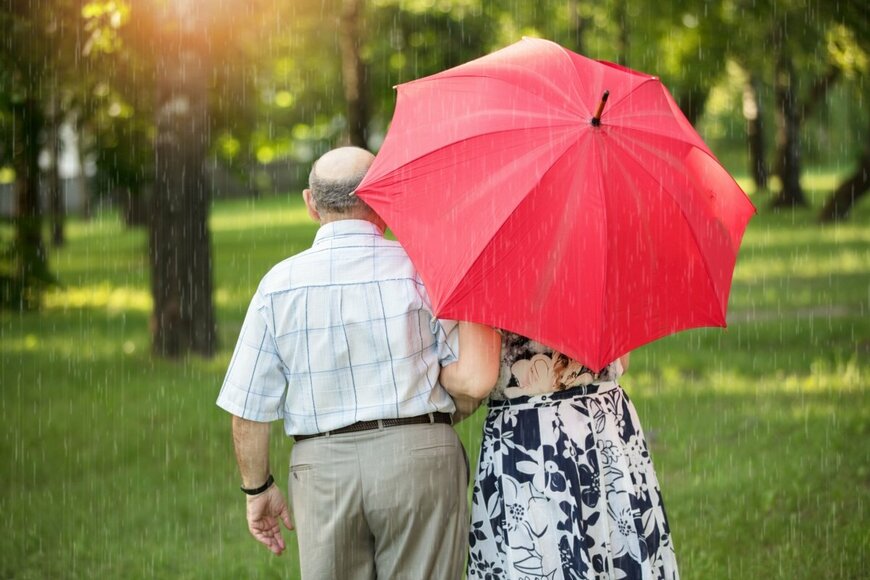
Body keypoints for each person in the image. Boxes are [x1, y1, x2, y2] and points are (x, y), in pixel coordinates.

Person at [216, 146, 500, 579]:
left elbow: (249, 408)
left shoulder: (278, 286)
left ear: (310, 204)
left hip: (322, 468)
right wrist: (429, 426)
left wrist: (258, 488)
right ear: (383, 200)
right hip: (419, 457)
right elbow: (468, 378)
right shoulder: (421, 271)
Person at [447, 332, 679, 580]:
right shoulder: (592, 290)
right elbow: (621, 361)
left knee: (540, 553)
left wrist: (441, 376)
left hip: (532, 435)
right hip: (604, 423)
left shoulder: (490, 291)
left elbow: (476, 378)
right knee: (613, 544)